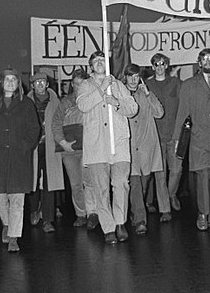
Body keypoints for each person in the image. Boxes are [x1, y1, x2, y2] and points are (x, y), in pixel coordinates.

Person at [77, 51, 138, 244]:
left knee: (121, 183)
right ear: (90, 67)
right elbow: (83, 105)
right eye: (96, 61)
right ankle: (108, 227)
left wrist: (117, 102)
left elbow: (133, 108)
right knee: (101, 189)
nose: (100, 63)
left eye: (103, 60)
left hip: (118, 144)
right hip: (96, 148)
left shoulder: (118, 85)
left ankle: (120, 222)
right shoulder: (85, 85)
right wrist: (102, 89)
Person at [172, 48, 210, 231]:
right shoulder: (188, 85)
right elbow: (182, 113)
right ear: (199, 63)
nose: (207, 62)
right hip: (199, 138)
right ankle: (203, 214)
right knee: (202, 177)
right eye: (204, 59)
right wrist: (177, 138)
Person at [0, 68, 41, 252]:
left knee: (17, 198)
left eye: (13, 80)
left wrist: (25, 146)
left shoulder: (26, 104)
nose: (10, 82)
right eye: (7, 79)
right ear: (1, 82)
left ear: (18, 84)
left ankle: (14, 237)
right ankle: (7, 223)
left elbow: (35, 128)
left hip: (19, 157)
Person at [125, 64, 167, 233]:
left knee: (143, 184)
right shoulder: (121, 95)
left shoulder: (146, 94)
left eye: (136, 77)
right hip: (129, 145)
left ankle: (134, 212)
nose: (134, 80)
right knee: (134, 184)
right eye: (131, 77)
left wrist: (149, 94)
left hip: (147, 145)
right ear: (126, 78)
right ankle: (140, 220)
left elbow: (159, 113)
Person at [52, 69, 95, 228]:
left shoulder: (92, 100)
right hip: (69, 151)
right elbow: (55, 124)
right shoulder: (64, 102)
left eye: (81, 84)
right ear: (71, 84)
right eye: (75, 84)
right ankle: (81, 214)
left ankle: (92, 213)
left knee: (89, 182)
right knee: (76, 184)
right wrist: (63, 143)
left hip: (87, 148)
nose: (78, 87)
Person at [26, 72, 65, 233]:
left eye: (43, 81)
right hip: (31, 147)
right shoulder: (25, 102)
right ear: (32, 85)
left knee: (50, 183)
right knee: (31, 180)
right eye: (37, 82)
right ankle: (34, 210)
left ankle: (48, 219)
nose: (40, 84)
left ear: (47, 84)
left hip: (50, 147)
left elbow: (61, 122)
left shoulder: (56, 102)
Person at [146, 53, 183, 213]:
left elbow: (183, 108)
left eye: (162, 64)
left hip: (174, 134)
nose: (160, 67)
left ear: (167, 66)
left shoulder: (176, 83)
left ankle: (171, 194)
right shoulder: (147, 85)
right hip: (155, 136)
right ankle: (165, 210)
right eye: (156, 64)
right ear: (153, 67)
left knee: (176, 170)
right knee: (160, 174)